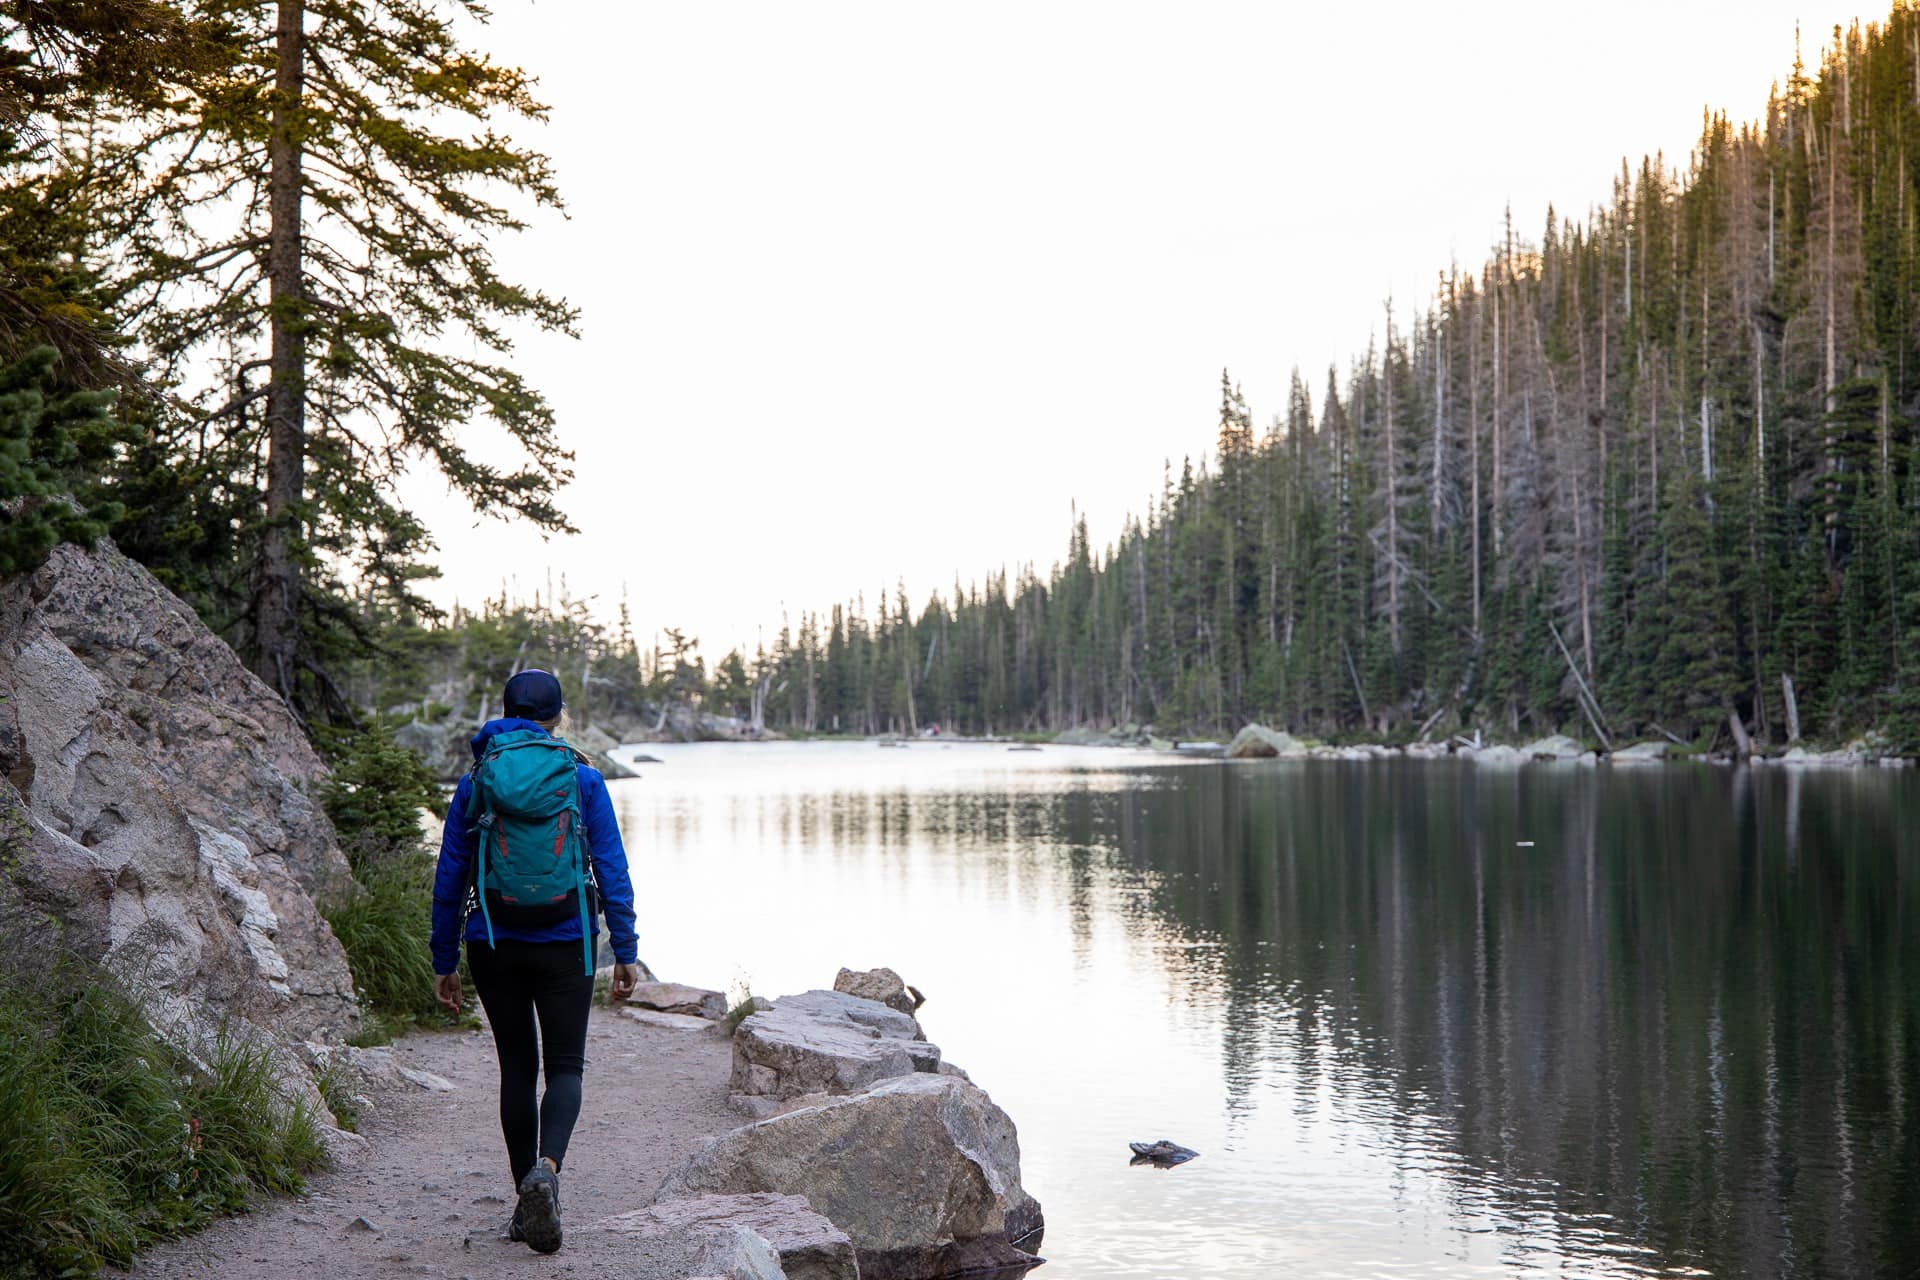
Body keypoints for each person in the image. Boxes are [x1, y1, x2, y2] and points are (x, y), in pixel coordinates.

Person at [430, 669, 642, 1255]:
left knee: (518, 1072)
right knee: (567, 1067)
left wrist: (443, 958)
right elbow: (612, 871)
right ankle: (547, 1171)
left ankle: (525, 1200)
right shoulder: (583, 778)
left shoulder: (477, 780)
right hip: (566, 941)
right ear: (558, 717)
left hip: (492, 940)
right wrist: (625, 950)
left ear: (505, 713)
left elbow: (449, 876)